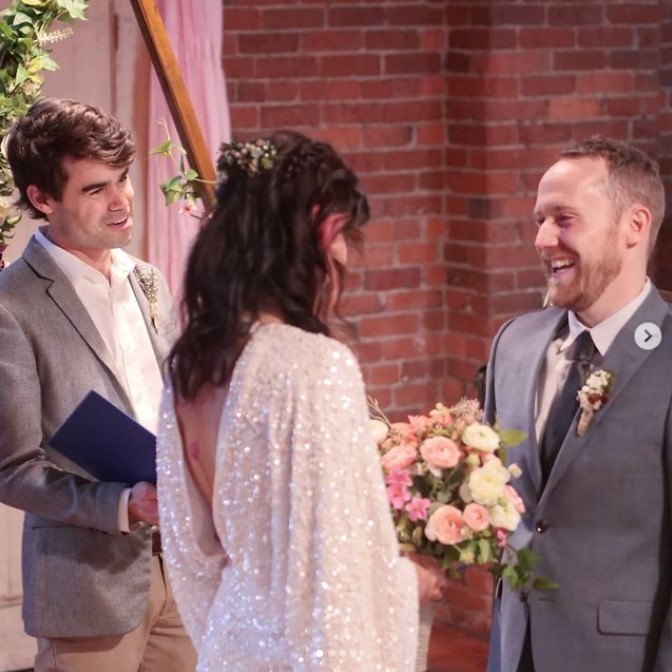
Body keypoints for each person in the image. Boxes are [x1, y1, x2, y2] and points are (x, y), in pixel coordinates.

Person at [156, 130, 446, 671]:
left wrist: (235, 632)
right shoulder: (312, 365)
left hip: (227, 647)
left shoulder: (189, 368)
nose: (344, 254)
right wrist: (411, 582)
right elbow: (333, 580)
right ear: (318, 229)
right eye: (343, 232)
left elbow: (191, 559)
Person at [0, 98, 195, 672]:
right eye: (94, 190)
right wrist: (122, 505)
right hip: (87, 589)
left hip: (183, 576)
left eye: (124, 180)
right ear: (42, 198)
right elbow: (12, 468)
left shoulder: (148, 280)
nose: (121, 202)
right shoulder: (11, 307)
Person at [484, 137, 671, 672]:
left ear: (634, 226)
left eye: (564, 218)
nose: (543, 239)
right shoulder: (512, 344)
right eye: (540, 219)